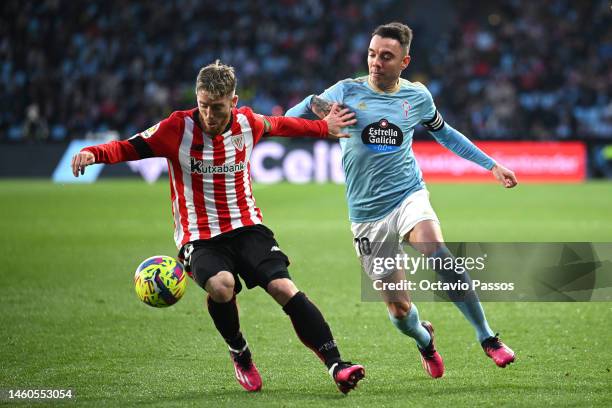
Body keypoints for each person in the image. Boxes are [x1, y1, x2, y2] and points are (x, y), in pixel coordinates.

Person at [71, 60, 365, 394]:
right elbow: (129, 146)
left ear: (234, 102)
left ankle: (337, 366)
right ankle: (240, 351)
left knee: (284, 288)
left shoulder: (247, 122)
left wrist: (324, 127)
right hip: (199, 236)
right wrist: (93, 153)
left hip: (247, 225)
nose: (210, 115)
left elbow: (282, 125)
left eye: (218, 108)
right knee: (222, 287)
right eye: (204, 106)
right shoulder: (175, 129)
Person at [286, 22, 517, 378]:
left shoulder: (417, 97)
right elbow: (294, 114)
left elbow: (447, 134)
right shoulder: (345, 92)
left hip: (408, 195)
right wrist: (321, 123)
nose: (376, 62)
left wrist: (491, 164)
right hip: (366, 215)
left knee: (439, 252)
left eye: (386, 56)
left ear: (404, 62)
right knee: (399, 312)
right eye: (372, 54)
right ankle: (424, 339)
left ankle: (488, 338)